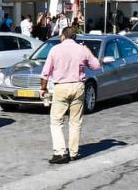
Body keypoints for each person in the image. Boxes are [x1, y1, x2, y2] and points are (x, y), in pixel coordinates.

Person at [40, 26, 101, 164]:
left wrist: (43, 89)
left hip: (61, 87)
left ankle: (60, 152)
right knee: (75, 121)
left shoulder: (55, 49)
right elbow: (96, 65)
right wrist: (87, 50)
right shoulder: (82, 49)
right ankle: (74, 152)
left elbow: (45, 72)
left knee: (56, 121)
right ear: (75, 37)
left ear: (63, 36)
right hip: (78, 86)